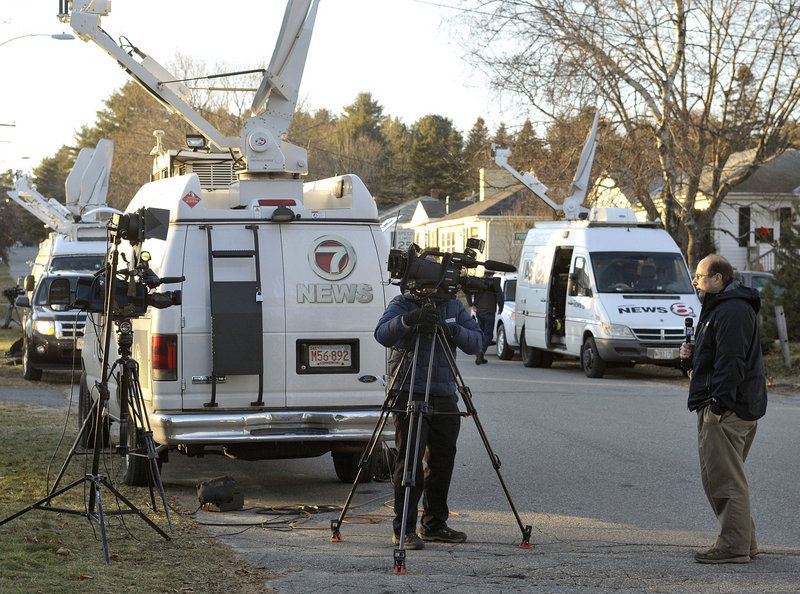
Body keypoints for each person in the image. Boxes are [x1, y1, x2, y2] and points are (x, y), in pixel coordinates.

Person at [374, 290, 482, 550]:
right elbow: (382, 334)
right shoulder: (403, 303)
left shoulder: (454, 306)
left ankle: (434, 525)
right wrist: (410, 319)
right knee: (409, 462)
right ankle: (405, 530)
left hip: (444, 393)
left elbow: (478, 342)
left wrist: (453, 332)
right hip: (408, 391)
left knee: (442, 462)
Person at [679, 254, 767, 564]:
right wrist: (687, 357)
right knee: (725, 478)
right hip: (723, 405)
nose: (695, 281)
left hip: (728, 410)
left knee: (724, 481)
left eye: (700, 276)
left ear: (719, 278)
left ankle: (733, 547)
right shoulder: (718, 307)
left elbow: (732, 363)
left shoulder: (732, 310)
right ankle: (745, 542)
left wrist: (718, 407)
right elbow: (710, 361)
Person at [465, 273, 504, 364]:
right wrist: (500, 308)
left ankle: (479, 354)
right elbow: (500, 296)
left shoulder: (478, 283)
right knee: (488, 335)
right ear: (492, 274)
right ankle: (481, 351)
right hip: (489, 312)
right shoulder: (494, 283)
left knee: (480, 332)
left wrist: (471, 304)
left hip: (479, 311)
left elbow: (467, 292)